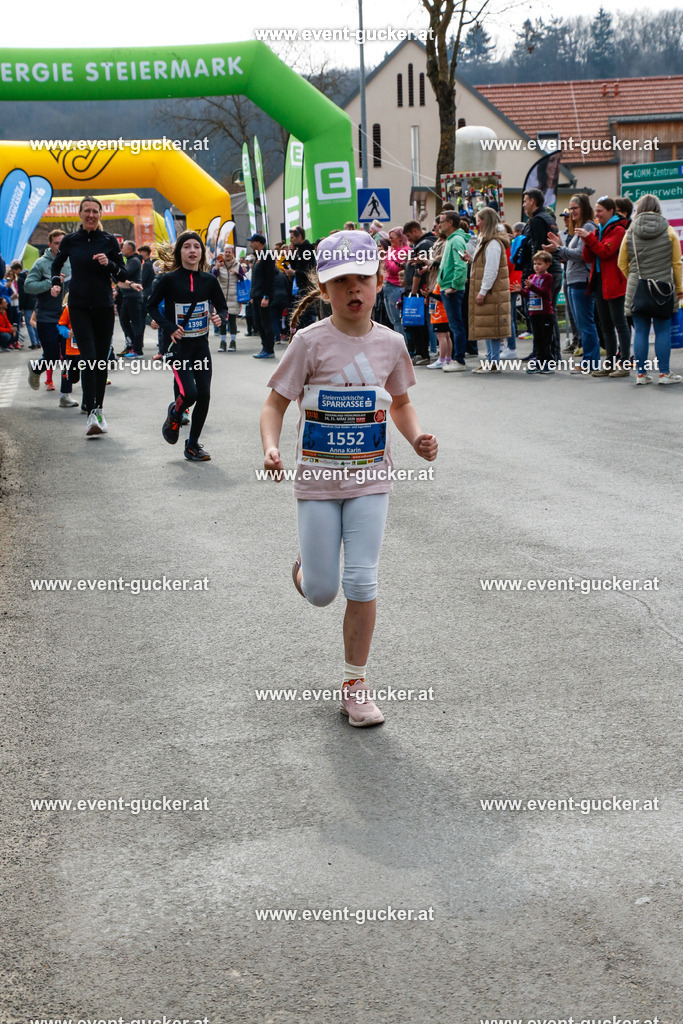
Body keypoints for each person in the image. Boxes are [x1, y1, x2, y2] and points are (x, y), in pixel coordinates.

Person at [259, 230, 437, 727]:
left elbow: (400, 404)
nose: (353, 290)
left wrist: (418, 437)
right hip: (316, 483)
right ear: (323, 289)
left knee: (361, 579)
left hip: (370, 480)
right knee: (322, 591)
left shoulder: (392, 344)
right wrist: (272, 448)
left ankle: (356, 685)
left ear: (380, 283)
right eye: (341, 283)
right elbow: (274, 404)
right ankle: (304, 567)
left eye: (363, 279)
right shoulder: (308, 343)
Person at [46, 197, 134, 437]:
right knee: (89, 357)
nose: (91, 215)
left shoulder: (108, 241)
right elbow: (57, 266)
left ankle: (98, 410)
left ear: (100, 214)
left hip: (104, 306)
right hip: (79, 306)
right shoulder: (70, 240)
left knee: (100, 360)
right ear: (80, 214)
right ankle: (91, 414)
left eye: (95, 211)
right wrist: (56, 282)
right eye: (87, 211)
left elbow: (122, 273)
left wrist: (109, 265)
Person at [147, 231, 227, 461]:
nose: (192, 251)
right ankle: (175, 412)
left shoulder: (209, 280)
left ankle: (192, 445)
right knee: (189, 393)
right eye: (187, 247)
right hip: (178, 347)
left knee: (204, 395)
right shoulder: (168, 279)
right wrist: (169, 326)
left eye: (196, 247)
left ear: (202, 252)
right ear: (179, 252)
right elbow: (150, 306)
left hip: (201, 346)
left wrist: (220, 317)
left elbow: (222, 307)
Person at [618, 193, 683, 385]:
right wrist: (679, 288)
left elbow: (622, 263)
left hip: (637, 287)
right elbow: (676, 263)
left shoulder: (630, 232)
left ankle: (641, 374)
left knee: (641, 331)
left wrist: (633, 278)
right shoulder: (669, 231)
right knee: (662, 330)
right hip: (663, 288)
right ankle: (664, 374)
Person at [544, 194, 601, 373]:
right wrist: (560, 246)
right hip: (573, 280)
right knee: (581, 323)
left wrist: (559, 249)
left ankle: (591, 361)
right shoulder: (578, 228)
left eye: (575, 208)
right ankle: (588, 360)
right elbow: (571, 254)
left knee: (586, 323)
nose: (572, 211)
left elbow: (580, 254)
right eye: (570, 208)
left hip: (581, 280)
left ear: (584, 208)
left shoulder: (588, 227)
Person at [577, 196, 631, 378]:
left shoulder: (618, 230)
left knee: (619, 324)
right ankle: (609, 363)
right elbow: (588, 258)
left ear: (610, 211)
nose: (597, 214)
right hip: (600, 281)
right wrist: (587, 241)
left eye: (600, 211)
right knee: (605, 325)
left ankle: (624, 364)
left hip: (615, 283)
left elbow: (605, 252)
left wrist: (589, 239)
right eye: (596, 210)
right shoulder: (599, 230)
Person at [25, 229, 71, 397]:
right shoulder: (41, 263)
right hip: (47, 317)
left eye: (63, 243)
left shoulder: (71, 261)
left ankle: (65, 395)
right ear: (50, 244)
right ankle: (36, 368)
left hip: (68, 318)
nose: (60, 247)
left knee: (69, 358)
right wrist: (49, 283)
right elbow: (28, 286)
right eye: (57, 243)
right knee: (51, 357)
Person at [467, 208, 511, 373]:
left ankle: (494, 362)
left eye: (479, 220)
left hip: (492, 292)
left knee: (492, 328)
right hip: (490, 291)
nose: (477, 223)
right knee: (488, 327)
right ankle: (491, 360)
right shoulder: (487, 241)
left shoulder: (493, 243)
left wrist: (483, 291)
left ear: (486, 221)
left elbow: (491, 270)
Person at [521, 188, 562, 358]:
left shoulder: (538, 220)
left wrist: (532, 274)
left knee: (544, 315)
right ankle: (547, 351)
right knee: (547, 313)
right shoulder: (548, 218)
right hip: (554, 269)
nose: (523, 205)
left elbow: (537, 250)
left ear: (532, 201)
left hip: (547, 272)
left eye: (525, 201)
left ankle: (546, 353)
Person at [512, 251, 555, 374]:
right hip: (534, 313)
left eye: (539, 264)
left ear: (547, 264)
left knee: (546, 339)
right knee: (538, 340)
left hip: (545, 313)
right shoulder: (532, 277)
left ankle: (549, 363)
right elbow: (529, 295)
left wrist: (531, 287)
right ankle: (539, 361)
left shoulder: (548, 277)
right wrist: (521, 290)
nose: (536, 266)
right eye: (535, 263)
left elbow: (545, 293)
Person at [437, 210, 469, 369]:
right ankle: (456, 358)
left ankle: (459, 360)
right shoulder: (452, 239)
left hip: (451, 288)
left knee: (456, 325)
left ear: (450, 223)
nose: (439, 225)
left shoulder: (456, 240)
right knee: (455, 325)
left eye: (442, 221)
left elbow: (461, 264)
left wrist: (454, 286)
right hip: (448, 286)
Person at [402, 219, 437, 365]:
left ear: (415, 231)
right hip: (417, 289)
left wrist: (414, 291)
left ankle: (423, 353)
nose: (408, 240)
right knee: (418, 323)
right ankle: (421, 352)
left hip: (419, 290)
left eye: (409, 236)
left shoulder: (424, 245)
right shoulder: (421, 244)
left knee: (417, 323)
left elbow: (420, 269)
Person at [248, 233, 276, 358]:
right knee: (258, 323)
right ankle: (264, 346)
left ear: (259, 243)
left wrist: (266, 296)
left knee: (265, 323)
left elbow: (269, 277)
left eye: (252, 242)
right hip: (256, 296)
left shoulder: (266, 256)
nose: (250, 244)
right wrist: (253, 295)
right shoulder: (257, 257)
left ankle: (269, 349)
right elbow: (255, 278)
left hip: (263, 296)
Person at [213, 243, 244, 352]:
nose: (227, 254)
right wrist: (216, 268)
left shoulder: (237, 265)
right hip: (221, 297)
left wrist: (237, 273)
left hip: (234, 296)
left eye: (229, 252)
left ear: (232, 253)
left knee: (232, 321)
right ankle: (222, 342)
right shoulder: (219, 264)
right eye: (225, 252)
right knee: (221, 320)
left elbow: (243, 278)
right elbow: (213, 277)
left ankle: (233, 342)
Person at [118, 240, 146, 358]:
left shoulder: (134, 261)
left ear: (130, 249)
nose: (122, 250)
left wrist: (116, 270)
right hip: (127, 296)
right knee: (124, 321)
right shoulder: (130, 260)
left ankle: (137, 350)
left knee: (136, 323)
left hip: (134, 296)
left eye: (123, 248)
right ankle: (133, 344)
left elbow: (124, 274)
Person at [382, 226, 409, 341]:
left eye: (392, 237)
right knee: (393, 321)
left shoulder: (405, 251)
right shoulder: (392, 251)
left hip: (396, 287)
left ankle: (404, 345)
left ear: (400, 238)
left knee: (398, 321)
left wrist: (386, 257)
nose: (390, 240)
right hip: (388, 286)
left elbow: (394, 270)